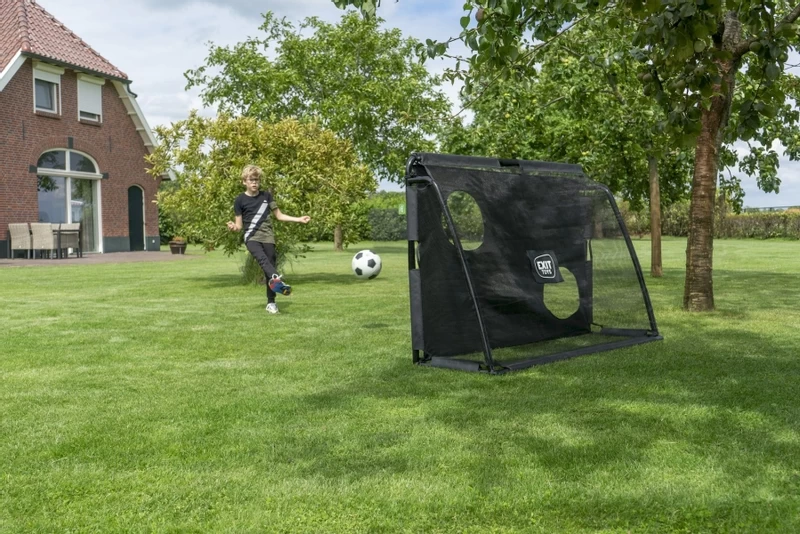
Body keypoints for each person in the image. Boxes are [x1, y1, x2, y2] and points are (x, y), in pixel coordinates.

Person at [226, 165, 311, 314]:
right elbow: (239, 226)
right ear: (244, 181)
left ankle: (271, 303)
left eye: (257, 180)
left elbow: (279, 216)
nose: (254, 183)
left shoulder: (266, 196)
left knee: (269, 266)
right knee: (263, 260)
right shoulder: (239, 200)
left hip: (268, 237)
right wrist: (234, 227)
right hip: (251, 237)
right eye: (251, 180)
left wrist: (298, 219)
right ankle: (276, 278)